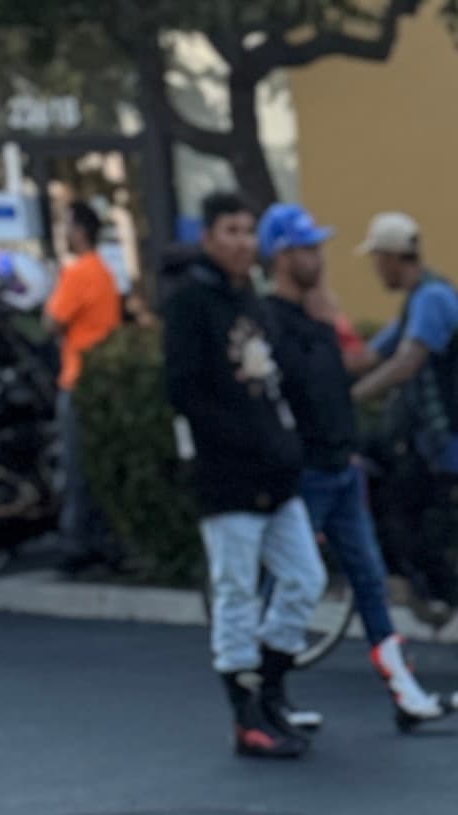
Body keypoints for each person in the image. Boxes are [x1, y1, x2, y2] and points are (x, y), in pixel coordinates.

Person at [255, 202, 456, 730]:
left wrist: (332, 315)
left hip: (341, 468)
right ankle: (265, 694)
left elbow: (354, 366)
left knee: (368, 580)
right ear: (280, 255)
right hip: (307, 472)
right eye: (305, 248)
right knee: (290, 583)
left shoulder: (317, 318)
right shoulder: (270, 322)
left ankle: (404, 692)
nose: (317, 256)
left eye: (317, 246)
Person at [160, 188, 321, 761]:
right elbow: (183, 388)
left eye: (248, 231)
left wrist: (287, 443)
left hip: (275, 468)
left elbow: (273, 380)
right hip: (226, 474)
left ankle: (272, 685)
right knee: (236, 592)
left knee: (305, 578)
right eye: (230, 230)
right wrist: (233, 439)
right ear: (208, 237)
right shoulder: (189, 304)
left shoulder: (248, 299)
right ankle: (245, 712)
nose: (242, 242)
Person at [354, 210, 458, 619]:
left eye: (376, 259)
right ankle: (414, 586)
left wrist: (354, 395)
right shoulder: (420, 299)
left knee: (406, 516)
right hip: (429, 432)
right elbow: (370, 354)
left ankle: (455, 596)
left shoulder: (432, 300)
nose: (375, 269)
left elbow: (406, 361)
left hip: (447, 436)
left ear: (391, 258)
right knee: (378, 471)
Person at [46, 195, 122, 573]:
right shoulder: (104, 272)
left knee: (76, 465)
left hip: (77, 376)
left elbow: (52, 321)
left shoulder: (77, 273)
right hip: (101, 377)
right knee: (97, 463)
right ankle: (104, 538)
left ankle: (76, 543)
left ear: (78, 231)